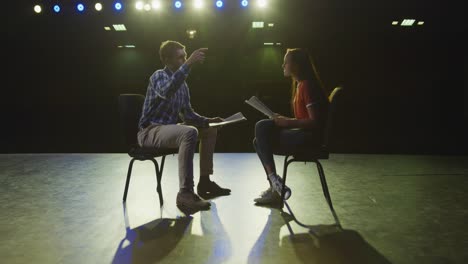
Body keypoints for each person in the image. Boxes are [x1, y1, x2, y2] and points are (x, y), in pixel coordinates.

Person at [138, 40, 231, 211]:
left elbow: (188, 115)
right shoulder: (158, 75)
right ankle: (185, 194)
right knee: (189, 132)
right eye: (181, 57)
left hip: (167, 130)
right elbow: (166, 91)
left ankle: (205, 183)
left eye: (185, 57)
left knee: (209, 130)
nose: (185, 60)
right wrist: (188, 64)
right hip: (150, 131)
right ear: (167, 60)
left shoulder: (183, 86)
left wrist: (210, 120)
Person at [253, 48, 330, 205]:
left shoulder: (307, 86)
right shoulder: (301, 85)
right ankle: (275, 186)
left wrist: (287, 122)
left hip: (310, 140)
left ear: (296, 65)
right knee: (259, 138)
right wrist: (285, 119)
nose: (283, 65)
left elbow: (315, 122)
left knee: (262, 128)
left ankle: (275, 183)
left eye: (286, 62)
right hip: (304, 135)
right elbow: (303, 119)